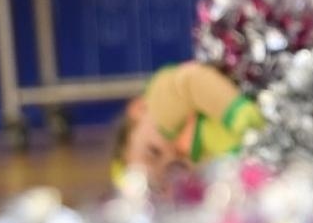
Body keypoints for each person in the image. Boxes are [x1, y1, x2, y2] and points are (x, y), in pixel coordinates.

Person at [109, 61, 265, 189]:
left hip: (248, 88)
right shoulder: (195, 155)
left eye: (154, 151)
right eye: (170, 171)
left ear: (139, 109)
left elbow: (192, 82)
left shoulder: (162, 102)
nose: (170, 157)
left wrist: (233, 110)